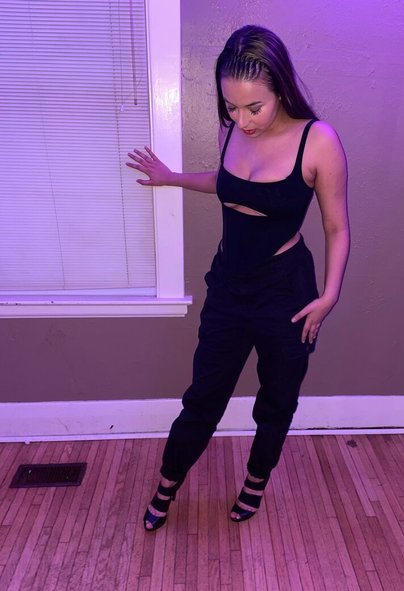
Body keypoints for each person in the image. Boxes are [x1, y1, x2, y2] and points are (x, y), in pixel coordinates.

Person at [127, 24, 349, 531]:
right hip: (229, 285)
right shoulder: (231, 129)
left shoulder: (318, 141)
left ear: (280, 88)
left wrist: (330, 295)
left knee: (277, 399)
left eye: (254, 108)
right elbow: (229, 184)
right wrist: (172, 177)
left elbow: (337, 226)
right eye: (231, 107)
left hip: (287, 293)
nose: (241, 120)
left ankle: (255, 482)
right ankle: (168, 482)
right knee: (203, 398)